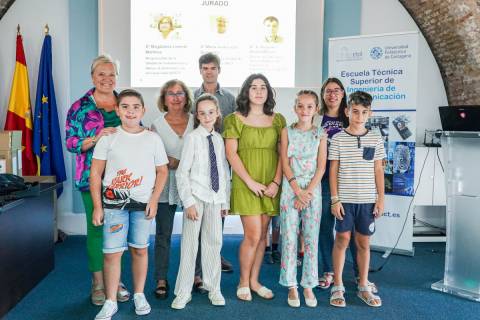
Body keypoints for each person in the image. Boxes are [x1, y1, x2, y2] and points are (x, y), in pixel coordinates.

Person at [90, 89, 169, 319]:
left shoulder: (152, 138)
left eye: (136, 107)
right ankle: (111, 299)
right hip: (114, 205)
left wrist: (154, 199)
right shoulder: (108, 137)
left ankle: (139, 294)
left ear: (143, 110)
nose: (131, 111)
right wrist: (97, 206)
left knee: (140, 249)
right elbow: (96, 173)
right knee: (112, 253)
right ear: (117, 110)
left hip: (143, 205)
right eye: (125, 106)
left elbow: (162, 171)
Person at [65, 54, 130, 306]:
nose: (107, 79)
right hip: (90, 177)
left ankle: (116, 281)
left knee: (117, 230)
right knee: (96, 230)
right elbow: (71, 142)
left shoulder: (125, 101)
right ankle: (98, 284)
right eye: (101, 74)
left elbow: (137, 128)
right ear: (93, 76)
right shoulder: (80, 107)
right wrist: (96, 138)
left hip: (123, 179)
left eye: (111, 74)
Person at [223, 73, 286, 301]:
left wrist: (276, 183)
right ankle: (242, 282)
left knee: (262, 237)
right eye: (253, 87)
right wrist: (250, 182)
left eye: (263, 87)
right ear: (246, 92)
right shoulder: (234, 119)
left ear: (268, 92)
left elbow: (283, 155)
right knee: (253, 234)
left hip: (270, 183)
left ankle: (254, 281)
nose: (259, 91)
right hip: (246, 182)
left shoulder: (278, 120)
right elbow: (231, 154)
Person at [314, 78, 378, 293]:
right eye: (328, 90)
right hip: (323, 181)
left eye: (337, 90)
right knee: (326, 226)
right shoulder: (316, 118)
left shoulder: (350, 117)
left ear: (343, 94)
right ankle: (329, 271)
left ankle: (360, 274)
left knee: (351, 232)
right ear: (323, 94)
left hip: (352, 185)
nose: (332, 94)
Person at [171, 94, 230, 309]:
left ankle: (214, 288)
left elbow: (223, 171)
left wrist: (224, 202)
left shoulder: (219, 139)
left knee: (214, 243)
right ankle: (183, 291)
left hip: (215, 198)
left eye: (211, 112)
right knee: (189, 245)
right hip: (196, 197)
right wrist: (188, 202)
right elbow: (181, 173)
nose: (207, 116)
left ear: (217, 113)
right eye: (202, 113)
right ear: (197, 115)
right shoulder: (192, 138)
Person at [328, 91, 384, 308]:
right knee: (341, 239)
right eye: (355, 112)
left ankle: (362, 285)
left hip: (368, 201)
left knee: (363, 243)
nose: (359, 116)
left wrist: (380, 199)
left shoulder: (375, 137)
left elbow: (378, 169)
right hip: (345, 201)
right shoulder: (338, 138)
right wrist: (334, 199)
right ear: (347, 111)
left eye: (364, 112)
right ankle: (338, 285)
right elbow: (334, 170)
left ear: (369, 113)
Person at [279, 90, 327, 308]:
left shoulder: (321, 134)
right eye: (300, 106)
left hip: (312, 191)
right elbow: (285, 163)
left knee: (310, 238)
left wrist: (307, 193)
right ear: (295, 108)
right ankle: (291, 284)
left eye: (309, 106)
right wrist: (297, 190)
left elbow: (322, 166)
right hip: (291, 189)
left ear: (316, 109)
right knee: (289, 238)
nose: (304, 110)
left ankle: (308, 283)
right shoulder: (286, 132)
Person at [151, 79, 195, 299]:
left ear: (186, 98)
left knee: (194, 232)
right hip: (165, 183)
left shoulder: (197, 121)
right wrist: (173, 162)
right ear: (164, 98)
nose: (176, 97)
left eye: (180, 93)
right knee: (163, 233)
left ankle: (195, 275)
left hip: (193, 184)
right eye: (171, 93)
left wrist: (181, 162)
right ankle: (161, 278)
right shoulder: (156, 125)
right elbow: (153, 155)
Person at [194, 52, 235, 275]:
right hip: (200, 162)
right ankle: (200, 262)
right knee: (201, 210)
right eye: (205, 68)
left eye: (212, 68)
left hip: (221, 158)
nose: (209, 71)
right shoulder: (193, 96)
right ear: (200, 70)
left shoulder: (229, 98)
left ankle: (215, 253)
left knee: (218, 208)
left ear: (219, 70)